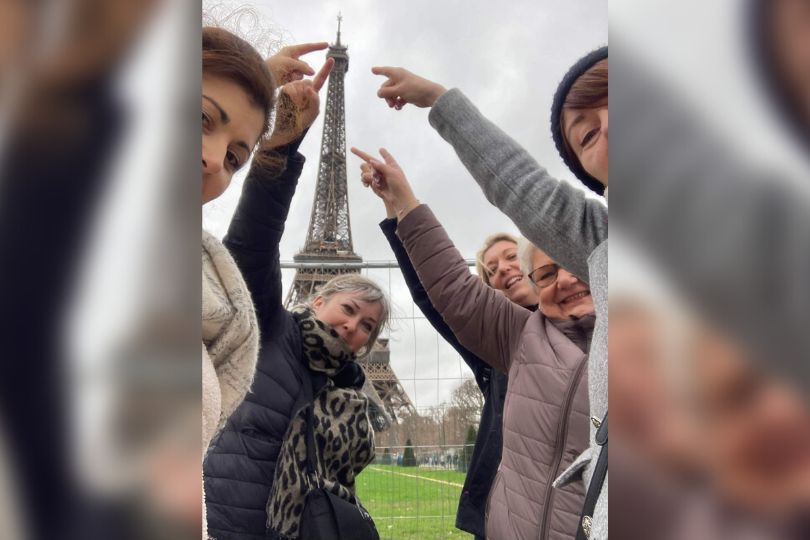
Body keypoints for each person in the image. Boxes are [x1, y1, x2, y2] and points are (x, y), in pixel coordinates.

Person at [367, 47, 609, 539]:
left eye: (574, 263)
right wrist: (405, 206)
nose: (562, 279)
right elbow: (454, 288)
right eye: (545, 275)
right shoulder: (527, 335)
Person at [202, 51, 389, 539]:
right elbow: (252, 241)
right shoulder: (268, 328)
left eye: (368, 326)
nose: (354, 326)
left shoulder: (347, 390)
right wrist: (285, 140)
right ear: (315, 300)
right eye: (349, 309)